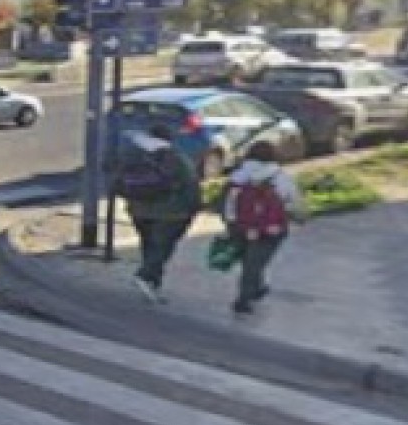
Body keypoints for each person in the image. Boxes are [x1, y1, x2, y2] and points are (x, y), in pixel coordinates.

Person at [112, 123, 203, 303]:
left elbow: (117, 181)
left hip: (139, 211)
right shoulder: (177, 158)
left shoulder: (136, 154)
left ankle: (152, 284)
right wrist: (194, 208)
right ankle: (146, 276)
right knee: (162, 248)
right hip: (171, 213)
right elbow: (191, 186)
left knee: (149, 245)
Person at [221, 141, 308, 314]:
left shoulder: (237, 176)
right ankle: (245, 297)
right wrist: (299, 216)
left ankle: (256, 287)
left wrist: (231, 224)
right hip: (272, 228)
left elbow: (227, 203)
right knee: (257, 260)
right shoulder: (280, 176)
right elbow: (294, 202)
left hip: (242, 227)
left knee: (249, 260)